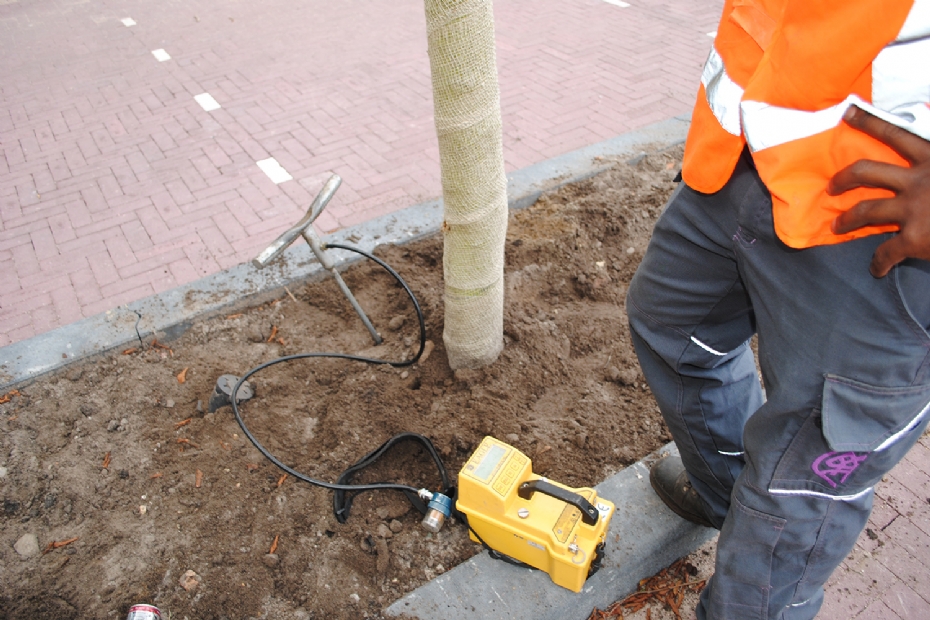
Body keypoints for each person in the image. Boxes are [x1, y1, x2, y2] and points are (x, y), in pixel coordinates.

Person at [625, 1, 930, 618]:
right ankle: (730, 499)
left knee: (803, 483)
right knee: (674, 330)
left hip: (880, 223)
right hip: (741, 155)